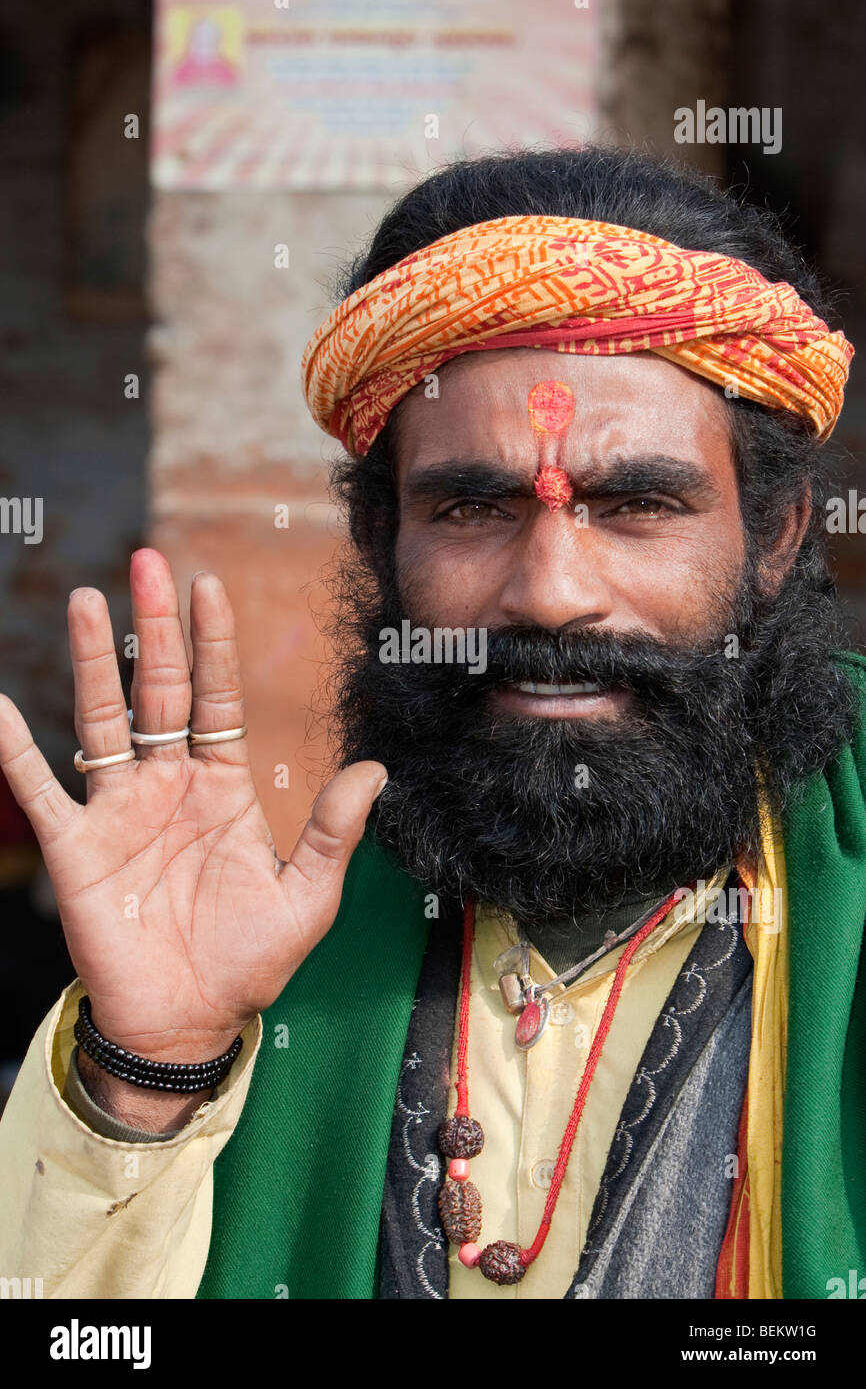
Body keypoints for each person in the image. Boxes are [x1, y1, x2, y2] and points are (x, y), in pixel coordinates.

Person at [0, 146, 863, 1301]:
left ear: (771, 537)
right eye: (471, 506)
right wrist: (151, 1065)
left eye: (637, 505)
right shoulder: (277, 959)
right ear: (381, 544)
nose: (551, 590)